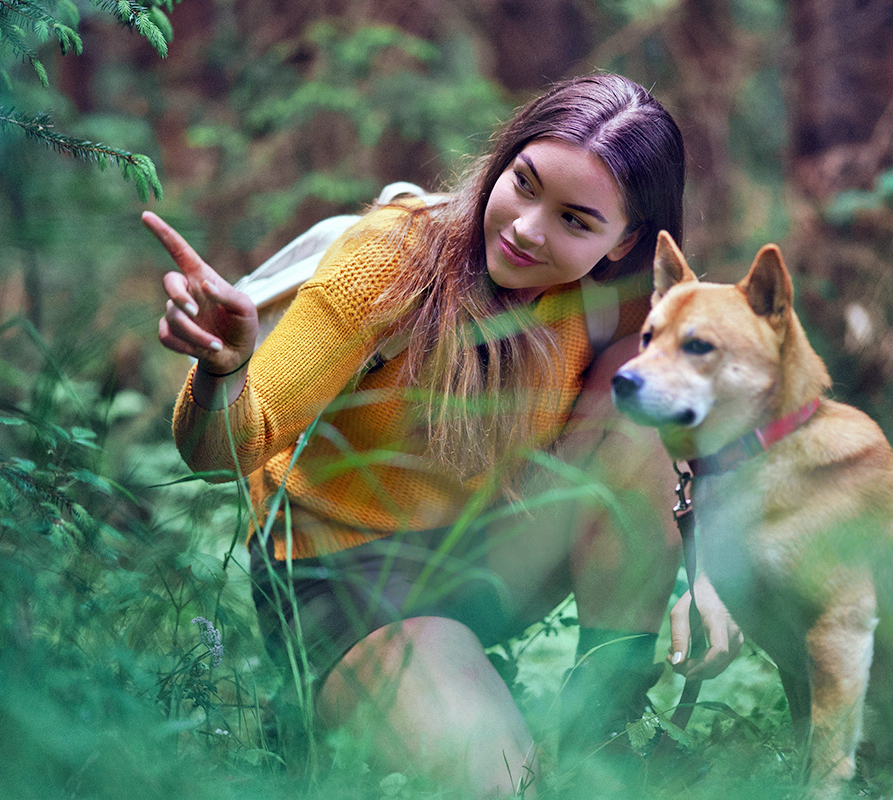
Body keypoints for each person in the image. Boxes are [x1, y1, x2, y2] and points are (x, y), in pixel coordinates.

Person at [148, 73, 742, 798]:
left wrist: (705, 573)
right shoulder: (390, 262)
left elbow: (689, 435)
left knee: (640, 406)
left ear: (624, 245)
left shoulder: (610, 300)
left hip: (486, 549)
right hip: (342, 575)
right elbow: (222, 451)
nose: (526, 227)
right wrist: (225, 373)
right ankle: (337, 698)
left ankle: (603, 724)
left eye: (575, 221)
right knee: (505, 785)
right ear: (504, 160)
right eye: (523, 183)